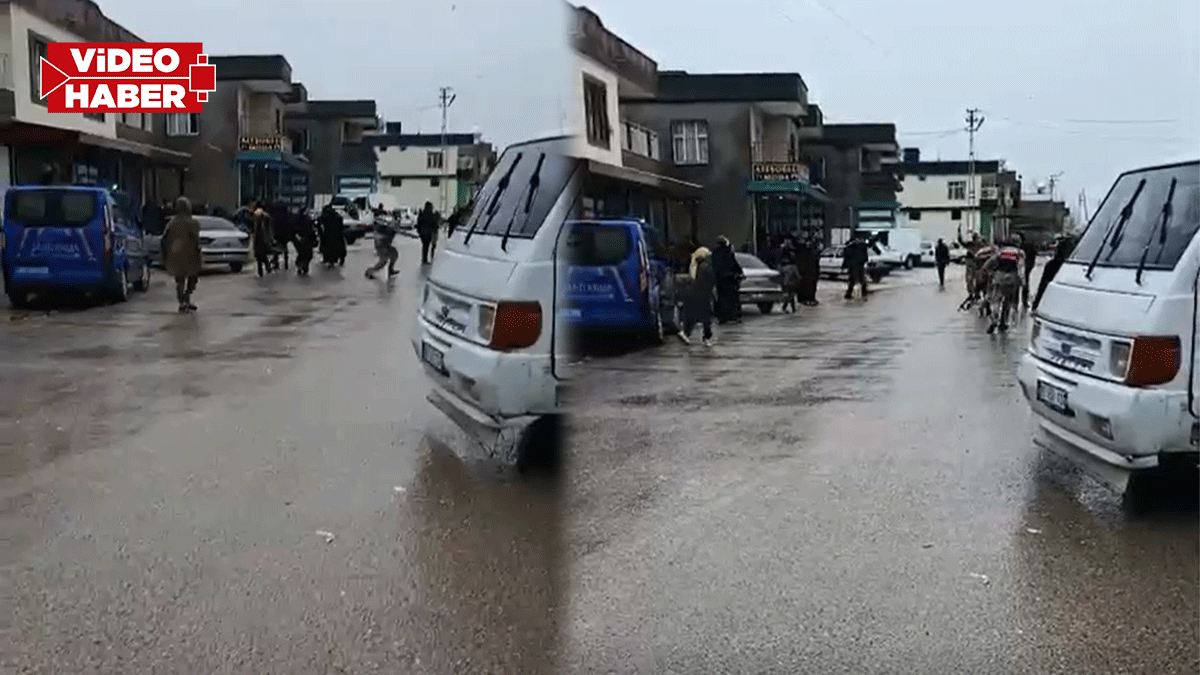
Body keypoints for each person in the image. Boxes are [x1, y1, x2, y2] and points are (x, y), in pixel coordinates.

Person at [161, 196, 202, 313]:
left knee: (181, 280)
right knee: (190, 278)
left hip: (176, 254)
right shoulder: (192, 223)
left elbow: (164, 239)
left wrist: (165, 253)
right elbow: (196, 239)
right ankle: (185, 299)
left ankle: (183, 301)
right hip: (189, 255)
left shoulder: (171, 223)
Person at [980, 236, 1026, 333]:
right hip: (1012, 279)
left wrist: (985, 270)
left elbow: (990, 262)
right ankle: (1003, 322)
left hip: (999, 277)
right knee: (1007, 302)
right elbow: (1020, 267)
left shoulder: (1001, 251)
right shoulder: (1019, 253)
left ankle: (994, 319)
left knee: (996, 300)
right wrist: (1023, 281)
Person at [678, 246, 715, 347]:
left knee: (693, 316)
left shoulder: (694, 266)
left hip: (694, 294)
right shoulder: (706, 267)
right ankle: (706, 337)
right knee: (705, 317)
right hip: (702, 295)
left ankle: (686, 333)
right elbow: (710, 280)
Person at [1032, 237, 1075, 312]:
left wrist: (1036, 305)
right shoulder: (1072, 267)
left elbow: (1042, 287)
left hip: (1050, 303)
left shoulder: (1051, 265)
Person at [710, 235, 743, 323]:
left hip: (720, 279)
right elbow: (734, 263)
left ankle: (723, 316)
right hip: (729, 279)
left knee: (721, 298)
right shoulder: (728, 252)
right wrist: (739, 272)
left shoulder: (715, 253)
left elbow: (713, 265)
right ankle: (732, 315)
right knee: (731, 299)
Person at [842, 230, 880, 300]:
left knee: (855, 279)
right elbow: (872, 246)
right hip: (857, 264)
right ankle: (859, 293)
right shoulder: (858, 243)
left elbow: (846, 252)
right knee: (859, 279)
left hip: (856, 264)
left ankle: (851, 293)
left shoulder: (852, 243)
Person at [365, 213, 399, 279]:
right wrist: (391, 231)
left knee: (394, 254)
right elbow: (385, 237)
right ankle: (369, 272)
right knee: (383, 261)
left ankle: (390, 270)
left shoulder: (382, 229)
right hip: (381, 247)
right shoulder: (379, 230)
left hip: (385, 246)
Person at [318, 203, 347, 268]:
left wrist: (320, 233)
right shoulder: (338, 216)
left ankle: (329, 260)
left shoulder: (324, 216)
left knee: (327, 248)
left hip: (327, 235)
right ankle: (340, 259)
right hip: (338, 235)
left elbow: (319, 224)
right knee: (339, 247)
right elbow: (341, 226)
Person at [293, 208, 318, 277]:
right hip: (306, 239)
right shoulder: (308, 219)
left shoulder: (297, 219)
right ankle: (303, 265)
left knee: (302, 253)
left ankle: (300, 265)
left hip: (300, 238)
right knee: (307, 254)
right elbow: (312, 230)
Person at [778, 238, 800, 313]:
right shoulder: (792, 266)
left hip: (788, 282)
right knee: (790, 295)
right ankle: (788, 307)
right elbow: (798, 275)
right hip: (789, 282)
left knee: (790, 295)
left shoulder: (783, 266)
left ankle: (788, 307)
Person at [251, 207, 275, 277]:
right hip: (261, 243)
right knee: (261, 258)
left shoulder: (263, 223)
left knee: (261, 257)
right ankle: (264, 270)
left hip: (261, 243)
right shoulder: (260, 223)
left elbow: (262, 234)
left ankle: (264, 270)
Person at [1021, 234, 1039, 308]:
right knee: (1026, 282)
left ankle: (1020, 300)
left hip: (1022, 265)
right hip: (1027, 266)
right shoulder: (1031, 246)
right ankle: (1024, 300)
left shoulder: (1022, 246)